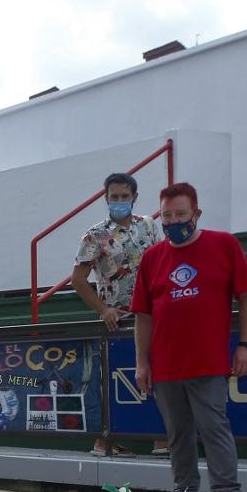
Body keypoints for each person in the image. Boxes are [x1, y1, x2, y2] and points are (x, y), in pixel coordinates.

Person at [130, 182, 247, 492]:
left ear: (196, 214)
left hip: (208, 361)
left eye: (181, 214)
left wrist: (246, 345)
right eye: (167, 215)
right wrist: (142, 361)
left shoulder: (224, 245)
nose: (174, 221)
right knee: (177, 434)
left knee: (214, 428)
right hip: (166, 364)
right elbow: (143, 315)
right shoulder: (153, 257)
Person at [71, 172, 166, 458]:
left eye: (125, 196)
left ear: (135, 197)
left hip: (152, 315)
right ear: (106, 198)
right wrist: (103, 309)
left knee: (158, 374)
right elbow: (78, 279)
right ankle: (106, 441)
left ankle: (162, 438)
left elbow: (163, 260)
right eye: (115, 197)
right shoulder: (95, 235)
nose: (120, 201)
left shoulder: (149, 226)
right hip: (118, 318)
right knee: (112, 379)